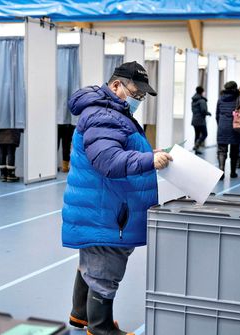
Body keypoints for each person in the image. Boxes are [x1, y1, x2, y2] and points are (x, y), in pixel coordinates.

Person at [62, 61, 172, 335]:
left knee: (92, 260)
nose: (139, 100)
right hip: (107, 209)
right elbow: (108, 160)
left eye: (142, 96)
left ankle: (81, 315)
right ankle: (101, 329)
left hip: (101, 205)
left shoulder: (110, 111)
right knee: (105, 266)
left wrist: (147, 151)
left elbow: (118, 146)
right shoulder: (104, 115)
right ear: (115, 86)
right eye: (136, 94)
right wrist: (148, 159)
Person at [216, 81, 240, 179]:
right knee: (235, 151)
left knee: (221, 151)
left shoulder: (220, 99)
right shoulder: (239, 99)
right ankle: (233, 172)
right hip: (235, 127)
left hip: (222, 127)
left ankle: (221, 170)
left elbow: (217, 115)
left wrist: (220, 125)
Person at [191, 86, 211, 155]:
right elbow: (203, 110)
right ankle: (197, 145)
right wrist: (208, 113)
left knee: (197, 135)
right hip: (201, 121)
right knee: (205, 134)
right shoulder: (202, 101)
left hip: (194, 120)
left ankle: (196, 149)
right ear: (202, 92)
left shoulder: (194, 100)